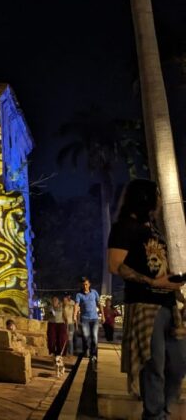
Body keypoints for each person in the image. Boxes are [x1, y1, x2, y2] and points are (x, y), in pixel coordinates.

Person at [108, 178, 186, 419]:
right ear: (145, 198)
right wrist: (153, 282)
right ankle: (154, 415)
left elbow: (156, 267)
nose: (161, 200)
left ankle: (161, 410)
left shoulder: (152, 229)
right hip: (144, 305)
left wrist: (170, 280)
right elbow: (115, 265)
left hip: (168, 305)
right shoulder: (124, 227)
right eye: (157, 195)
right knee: (154, 364)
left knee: (179, 362)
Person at [74, 277, 101, 361]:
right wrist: (74, 315)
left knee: (94, 337)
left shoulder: (94, 293)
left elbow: (99, 303)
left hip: (94, 318)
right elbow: (76, 305)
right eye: (83, 285)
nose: (85, 286)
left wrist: (103, 315)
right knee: (85, 336)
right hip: (85, 318)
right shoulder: (79, 295)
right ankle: (86, 350)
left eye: (86, 284)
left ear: (89, 284)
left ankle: (93, 354)